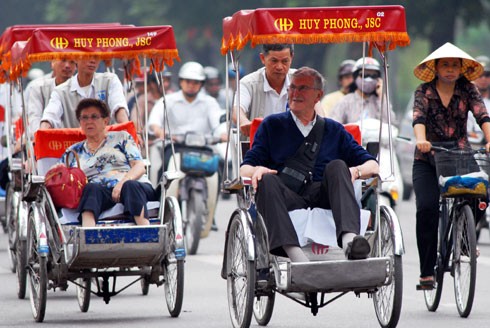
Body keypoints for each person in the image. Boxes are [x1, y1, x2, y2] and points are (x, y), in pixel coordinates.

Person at [240, 67, 379, 262]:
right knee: (266, 180)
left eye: (303, 88)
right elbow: (244, 168)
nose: (295, 93)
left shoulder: (334, 129)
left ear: (318, 96)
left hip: (324, 195)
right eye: (292, 88)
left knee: (338, 166)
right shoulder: (272, 126)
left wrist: (356, 171)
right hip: (287, 195)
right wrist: (257, 170)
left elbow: (373, 166)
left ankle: (350, 241)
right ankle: (294, 253)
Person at [412, 42, 490, 288]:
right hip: (427, 158)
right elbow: (418, 118)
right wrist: (421, 140)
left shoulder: (468, 90)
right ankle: (426, 272)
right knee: (427, 209)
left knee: (482, 193)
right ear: (435, 68)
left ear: (461, 69)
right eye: (444, 64)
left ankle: (464, 239)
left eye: (454, 65)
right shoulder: (423, 91)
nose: (449, 69)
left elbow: (482, 115)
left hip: (459, 156)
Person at [61, 98, 157, 227]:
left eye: (94, 117)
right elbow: (61, 177)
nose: (89, 121)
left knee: (130, 185)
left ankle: (146, 232)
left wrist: (121, 183)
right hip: (101, 193)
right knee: (90, 188)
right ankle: (88, 236)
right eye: (84, 118)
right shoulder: (73, 151)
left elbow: (139, 166)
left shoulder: (122, 137)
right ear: (80, 123)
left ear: (105, 121)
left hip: (134, 185)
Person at [40, 58, 129, 129]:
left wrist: (127, 128)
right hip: (74, 148)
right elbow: (50, 116)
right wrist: (42, 132)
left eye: (96, 56)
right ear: (75, 58)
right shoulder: (60, 91)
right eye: (87, 56)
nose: (92, 60)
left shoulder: (110, 80)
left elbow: (119, 107)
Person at [232, 44, 295, 136]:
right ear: (262, 58)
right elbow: (237, 109)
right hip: (259, 147)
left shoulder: (301, 80)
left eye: (285, 61)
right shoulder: (248, 83)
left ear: (292, 57)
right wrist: (243, 121)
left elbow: (315, 107)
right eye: (274, 61)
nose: (279, 67)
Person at [329, 57, 396, 124]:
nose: (369, 79)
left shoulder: (380, 102)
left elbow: (391, 124)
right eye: (364, 75)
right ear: (355, 77)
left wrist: (381, 96)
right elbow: (333, 126)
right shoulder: (345, 102)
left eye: (373, 76)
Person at [26, 59, 77, 134]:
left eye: (72, 62)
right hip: (46, 138)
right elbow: (34, 117)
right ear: (52, 63)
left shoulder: (81, 88)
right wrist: (40, 137)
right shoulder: (38, 87)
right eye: (63, 60)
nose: (67, 66)